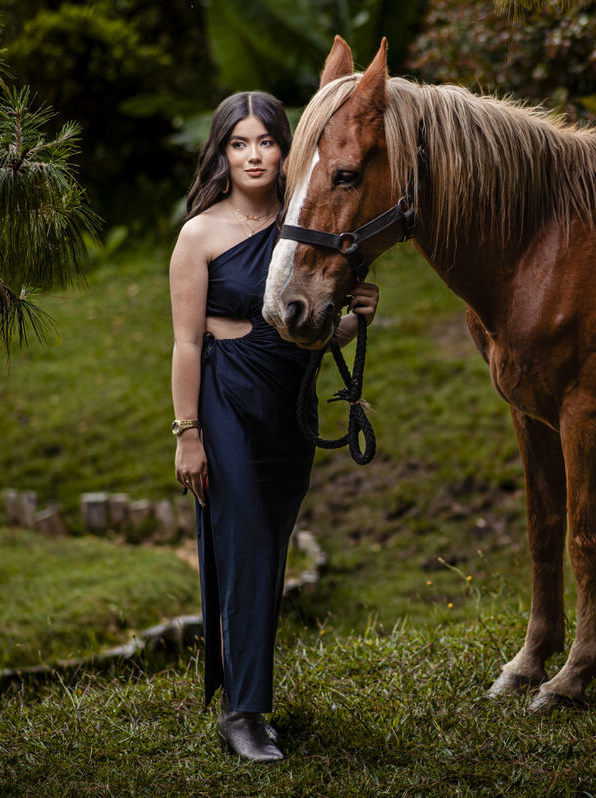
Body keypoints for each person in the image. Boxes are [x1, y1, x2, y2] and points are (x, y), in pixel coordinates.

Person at [168, 91, 379, 763]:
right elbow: (184, 345)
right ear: (222, 153)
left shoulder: (304, 229)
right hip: (225, 398)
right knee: (250, 543)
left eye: (266, 141)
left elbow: (310, 331)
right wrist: (189, 434)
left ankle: (248, 691)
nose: (254, 154)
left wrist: (358, 318)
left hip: (291, 403)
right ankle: (245, 715)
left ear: (288, 149)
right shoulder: (199, 235)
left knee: (270, 548)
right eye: (240, 143)